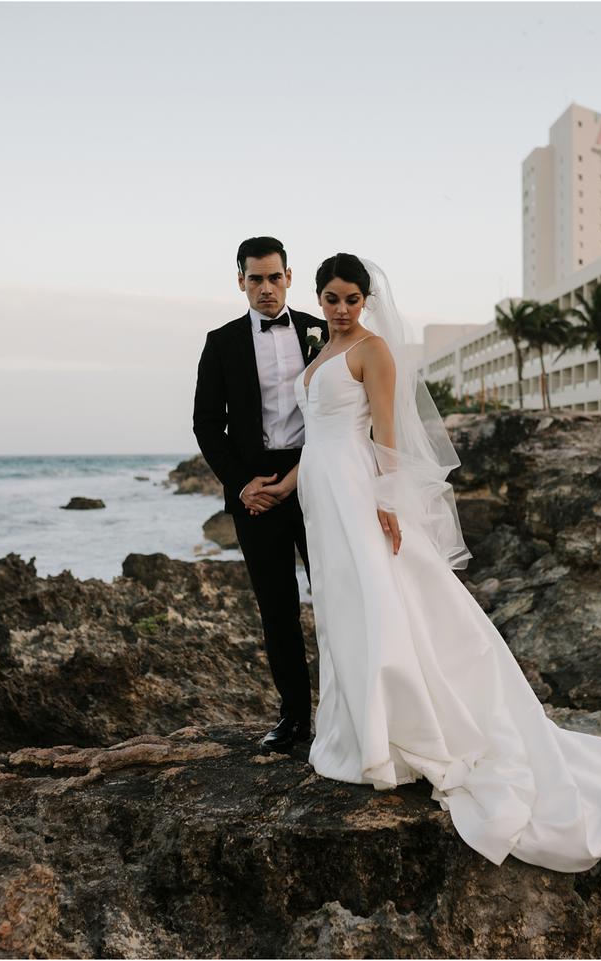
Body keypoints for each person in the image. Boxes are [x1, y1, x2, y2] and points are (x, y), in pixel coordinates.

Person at [276, 252, 601, 873]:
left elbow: (387, 432)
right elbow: (317, 439)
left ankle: (394, 736)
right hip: (320, 496)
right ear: (318, 298)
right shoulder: (317, 355)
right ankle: (348, 733)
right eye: (331, 298)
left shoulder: (373, 351)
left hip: (357, 494)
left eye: (351, 299)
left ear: (365, 300)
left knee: (379, 602)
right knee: (340, 607)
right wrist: (283, 487)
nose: (341, 309)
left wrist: (390, 501)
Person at [192, 237, 328, 752]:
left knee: (336, 599)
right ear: (240, 281)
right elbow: (207, 424)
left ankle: (347, 712)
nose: (266, 289)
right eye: (255, 279)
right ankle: (295, 719)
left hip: (317, 478)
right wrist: (242, 483)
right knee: (277, 608)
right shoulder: (221, 341)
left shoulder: (321, 331)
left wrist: (306, 471)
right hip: (255, 491)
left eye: (274, 278)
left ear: (289, 277)